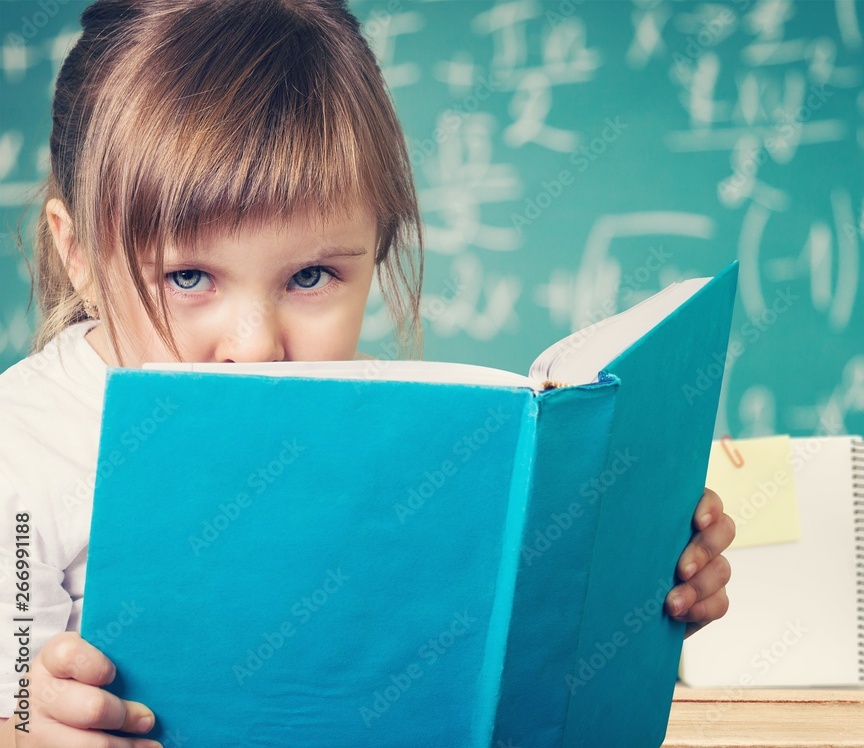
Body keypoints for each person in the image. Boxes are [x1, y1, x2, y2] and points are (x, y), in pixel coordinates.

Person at [0, 1, 735, 744]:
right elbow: (12, 711)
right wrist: (28, 728)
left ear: (377, 250)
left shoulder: (403, 430)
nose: (255, 348)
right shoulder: (22, 448)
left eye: (312, 276)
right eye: (188, 278)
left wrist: (638, 592)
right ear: (79, 254)